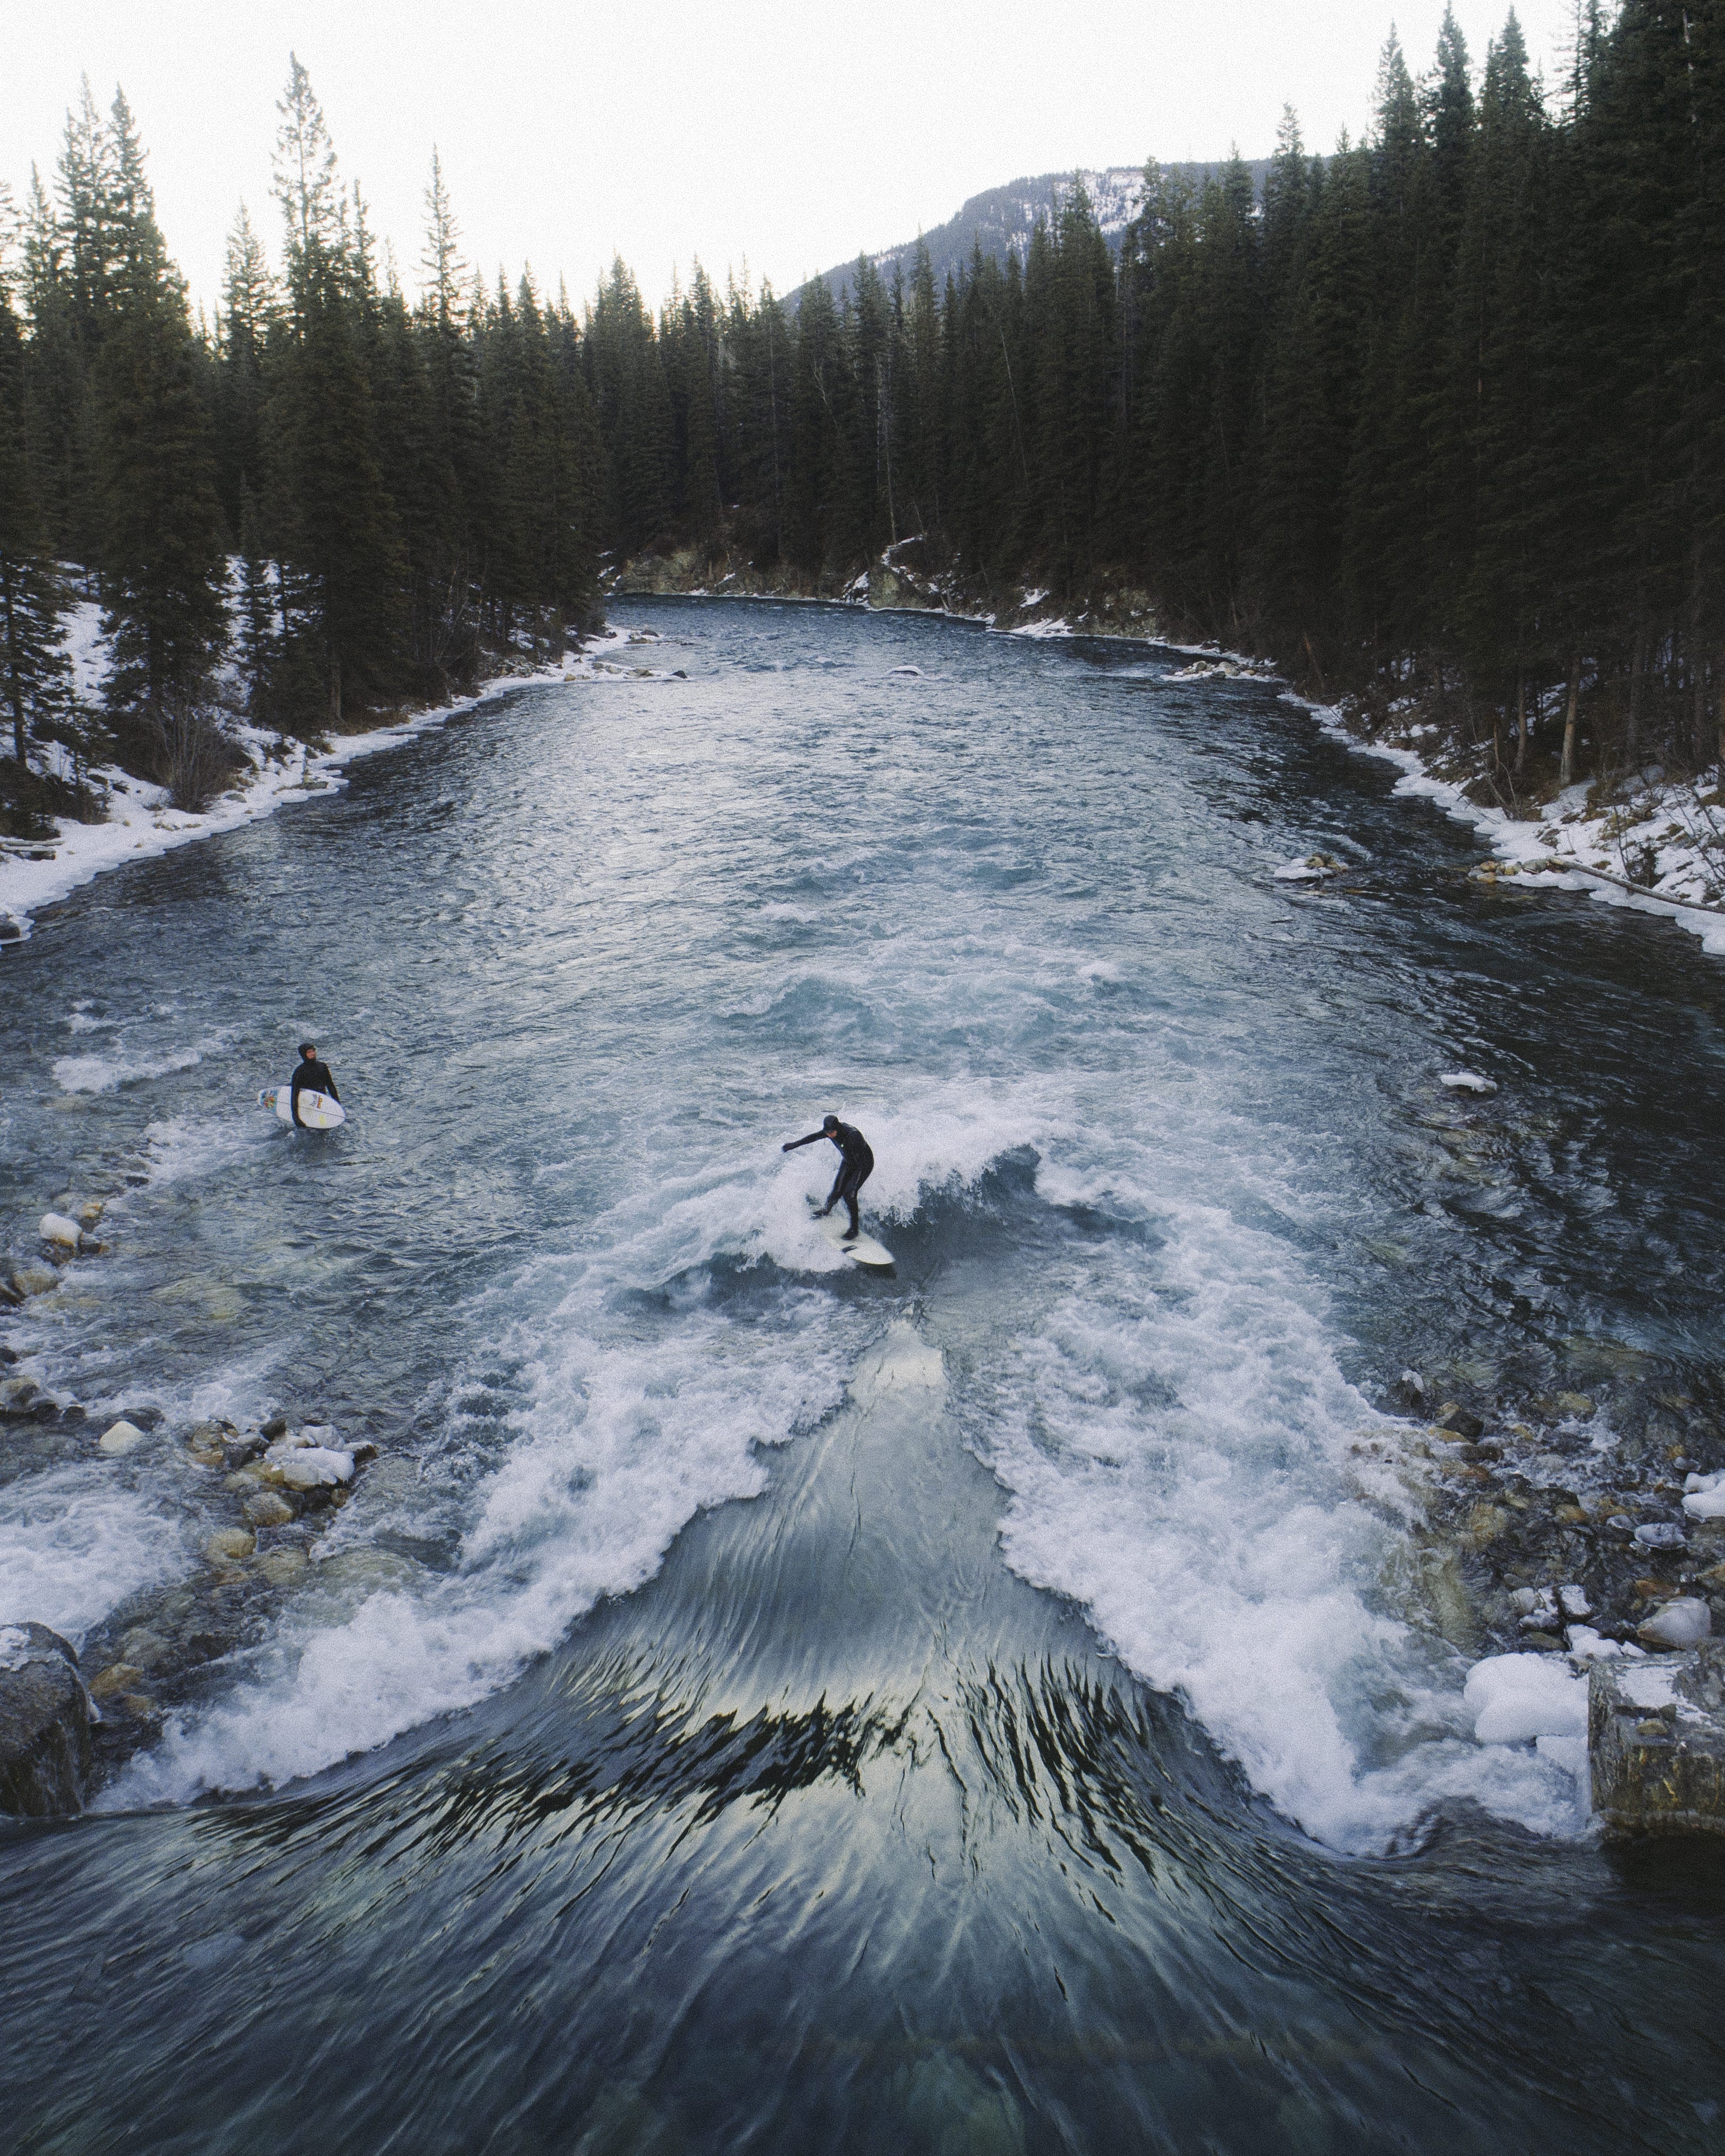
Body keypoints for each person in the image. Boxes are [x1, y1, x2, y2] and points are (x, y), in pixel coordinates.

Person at [783, 1113, 874, 1241]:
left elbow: (858, 1164)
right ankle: (826, 1210)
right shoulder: (829, 1131)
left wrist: (851, 1185)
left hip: (863, 1164)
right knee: (837, 1191)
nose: (829, 1135)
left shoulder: (853, 1136)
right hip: (849, 1161)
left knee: (849, 1195)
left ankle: (854, 1229)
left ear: (838, 1128)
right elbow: (813, 1137)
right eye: (827, 1132)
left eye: (832, 1132)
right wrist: (794, 1145)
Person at [289, 1041, 340, 1129]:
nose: (313, 1054)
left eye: (313, 1051)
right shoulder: (299, 1071)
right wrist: (296, 1117)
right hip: (308, 1103)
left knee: (325, 1129)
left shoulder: (322, 1066)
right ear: (304, 1055)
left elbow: (331, 1086)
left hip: (321, 1100)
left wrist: (338, 1106)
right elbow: (295, 1095)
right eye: (309, 1052)